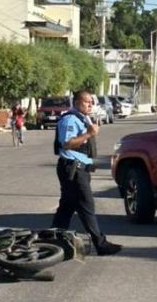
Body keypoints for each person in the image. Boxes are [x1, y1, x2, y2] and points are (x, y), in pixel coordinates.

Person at [51, 90, 122, 256]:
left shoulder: (83, 118)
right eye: (86, 102)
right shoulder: (69, 119)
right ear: (76, 103)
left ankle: (52, 241)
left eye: (92, 102)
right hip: (72, 170)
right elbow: (67, 143)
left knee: (67, 208)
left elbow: (82, 147)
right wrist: (89, 133)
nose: (90, 105)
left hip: (78, 168)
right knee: (86, 206)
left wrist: (89, 163)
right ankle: (101, 244)